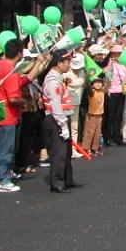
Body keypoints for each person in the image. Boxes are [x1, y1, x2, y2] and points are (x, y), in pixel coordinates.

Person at [0, 39, 27, 193]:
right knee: (5, 149)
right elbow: (13, 98)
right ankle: (2, 179)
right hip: (7, 114)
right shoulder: (11, 71)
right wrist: (23, 101)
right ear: (19, 53)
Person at [41, 50, 77, 193]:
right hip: (56, 120)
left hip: (61, 117)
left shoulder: (58, 78)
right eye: (68, 62)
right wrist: (63, 125)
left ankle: (67, 179)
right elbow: (55, 106)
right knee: (59, 152)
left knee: (66, 152)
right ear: (59, 63)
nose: (70, 65)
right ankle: (57, 182)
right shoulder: (53, 82)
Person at [80, 75, 106, 157]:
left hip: (99, 115)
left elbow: (108, 84)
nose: (98, 84)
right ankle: (86, 148)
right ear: (92, 85)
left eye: (100, 82)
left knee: (97, 132)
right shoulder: (92, 92)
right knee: (89, 132)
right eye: (96, 83)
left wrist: (108, 73)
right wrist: (87, 77)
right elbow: (87, 86)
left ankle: (95, 148)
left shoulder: (102, 92)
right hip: (92, 115)